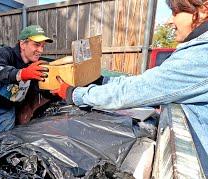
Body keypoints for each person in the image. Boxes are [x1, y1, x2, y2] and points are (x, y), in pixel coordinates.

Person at [52, 0, 208, 121]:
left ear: (203, 10)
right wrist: (101, 81)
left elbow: (136, 90)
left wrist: (74, 94)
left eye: (175, 12)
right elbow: (145, 82)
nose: (169, 21)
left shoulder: (201, 55)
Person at [0, 25, 53, 142]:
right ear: (23, 44)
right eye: (37, 45)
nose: (41, 50)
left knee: (5, 143)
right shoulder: (4, 53)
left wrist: (56, 91)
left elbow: (41, 89)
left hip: (7, 110)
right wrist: (22, 74)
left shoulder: (36, 66)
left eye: (43, 46)